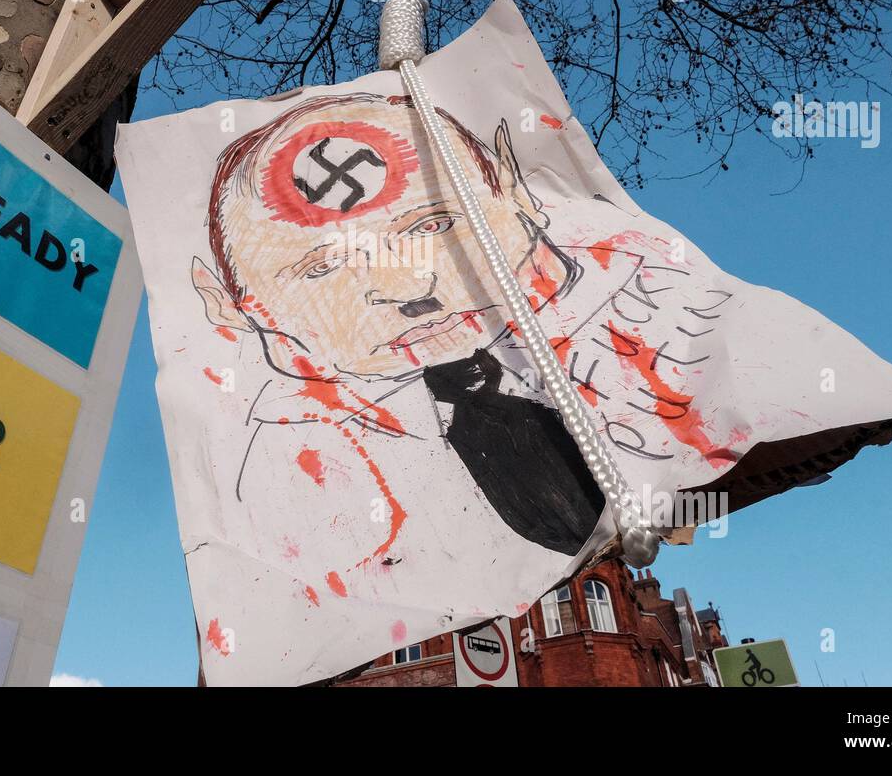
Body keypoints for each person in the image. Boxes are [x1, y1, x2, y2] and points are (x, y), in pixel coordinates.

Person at [188, 91, 744, 607]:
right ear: (231, 305)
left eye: (436, 223)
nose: (410, 287)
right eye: (325, 265)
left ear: (515, 195)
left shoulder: (673, 325)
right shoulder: (282, 493)